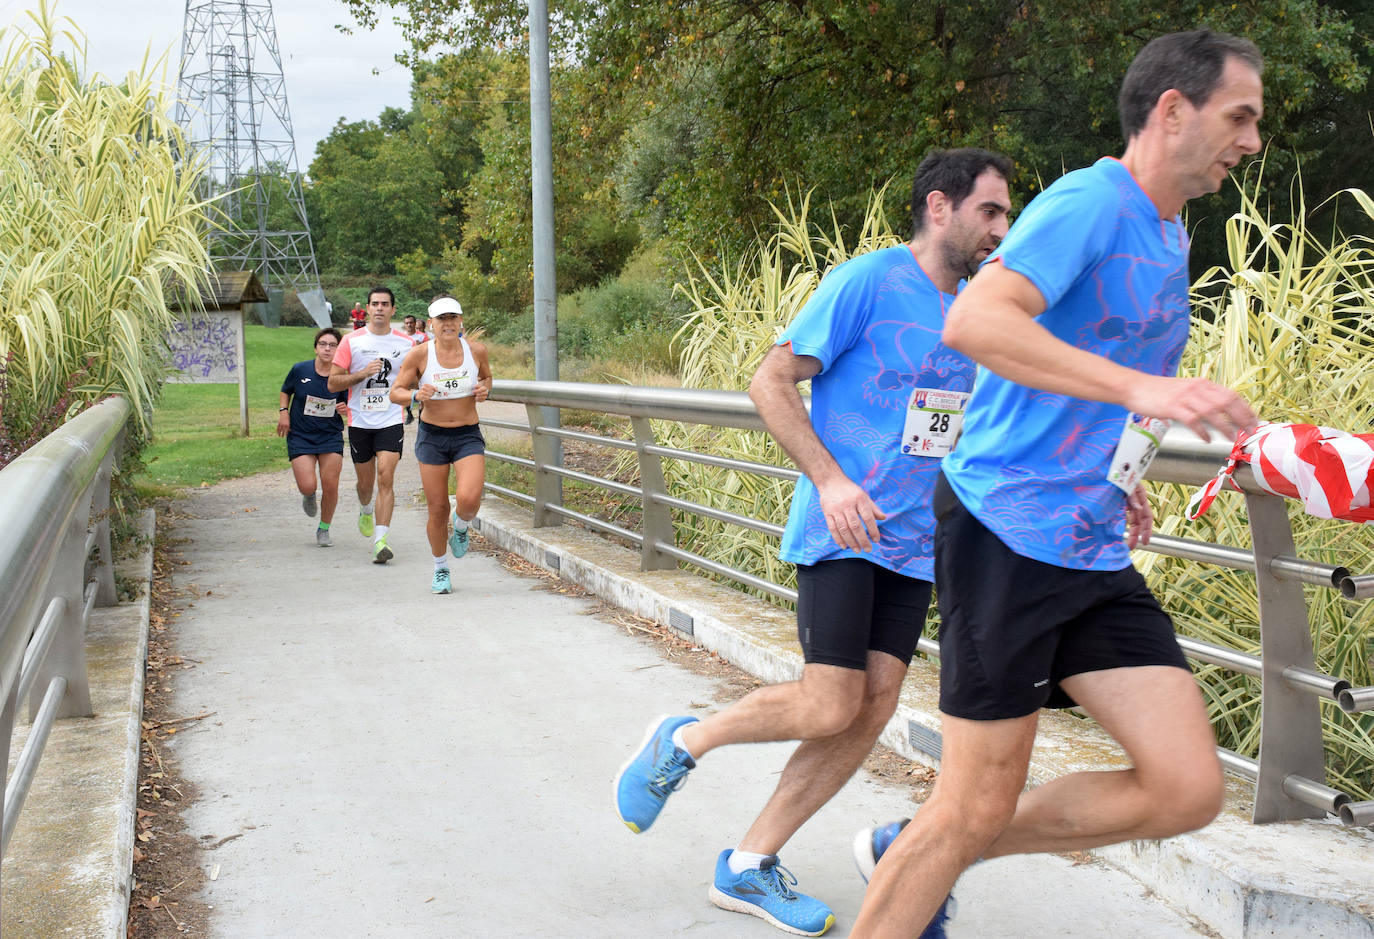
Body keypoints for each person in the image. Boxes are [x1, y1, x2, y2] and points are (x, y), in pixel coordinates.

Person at [849, 30, 1264, 938]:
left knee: (1186, 785)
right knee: (971, 805)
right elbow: (976, 322)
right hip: (1004, 527)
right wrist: (1146, 391)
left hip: (1087, 536)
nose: (1252, 140)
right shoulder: (1089, 204)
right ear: (1171, 110)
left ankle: (919, 846)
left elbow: (1118, 360)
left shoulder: (1165, 229)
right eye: (1240, 116)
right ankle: (932, 849)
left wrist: (1124, 468)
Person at [613, 149, 1014, 936]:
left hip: (912, 541)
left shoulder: (978, 306)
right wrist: (831, 480)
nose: (1003, 228)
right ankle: (685, 739)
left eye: (1007, 214)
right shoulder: (869, 281)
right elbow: (770, 379)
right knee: (830, 699)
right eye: (991, 211)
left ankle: (749, 863)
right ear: (940, 207)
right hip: (842, 528)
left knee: (870, 709)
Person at [390, 294, 492, 594]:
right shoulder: (420, 355)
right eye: (441, 319)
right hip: (432, 436)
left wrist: (484, 390)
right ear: (431, 323)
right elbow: (395, 391)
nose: (447, 324)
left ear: (460, 321)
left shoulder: (476, 350)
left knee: (470, 499)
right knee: (437, 509)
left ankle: (461, 528)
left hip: (467, 434)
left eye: (452, 318)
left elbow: (487, 378)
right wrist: (414, 396)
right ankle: (440, 568)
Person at [328, 286, 415, 564]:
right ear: (367, 308)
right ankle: (365, 509)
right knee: (365, 483)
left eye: (385, 304)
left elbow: (416, 379)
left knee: (385, 476)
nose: (379, 308)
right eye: (375, 303)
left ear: (393, 309)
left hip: (391, 418)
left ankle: (381, 541)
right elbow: (333, 382)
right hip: (360, 420)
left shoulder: (407, 344)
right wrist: (362, 373)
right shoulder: (351, 342)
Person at [277, 328, 349, 547]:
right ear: (316, 347)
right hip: (301, 435)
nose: (327, 349)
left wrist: (343, 408)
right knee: (308, 485)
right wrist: (283, 412)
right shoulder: (300, 369)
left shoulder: (343, 374)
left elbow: (348, 402)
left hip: (329, 436)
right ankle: (308, 495)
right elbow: (285, 391)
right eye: (323, 344)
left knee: (331, 485)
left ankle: (324, 528)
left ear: (339, 349)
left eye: (333, 345)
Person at [400, 314, 429, 425]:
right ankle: (409, 414)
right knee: (405, 392)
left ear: (414, 323)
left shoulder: (422, 336)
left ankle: (421, 416)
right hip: (406, 368)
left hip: (421, 369)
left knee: (422, 391)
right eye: (406, 323)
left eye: (411, 323)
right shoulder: (401, 337)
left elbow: (429, 349)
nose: (409, 325)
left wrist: (421, 345)